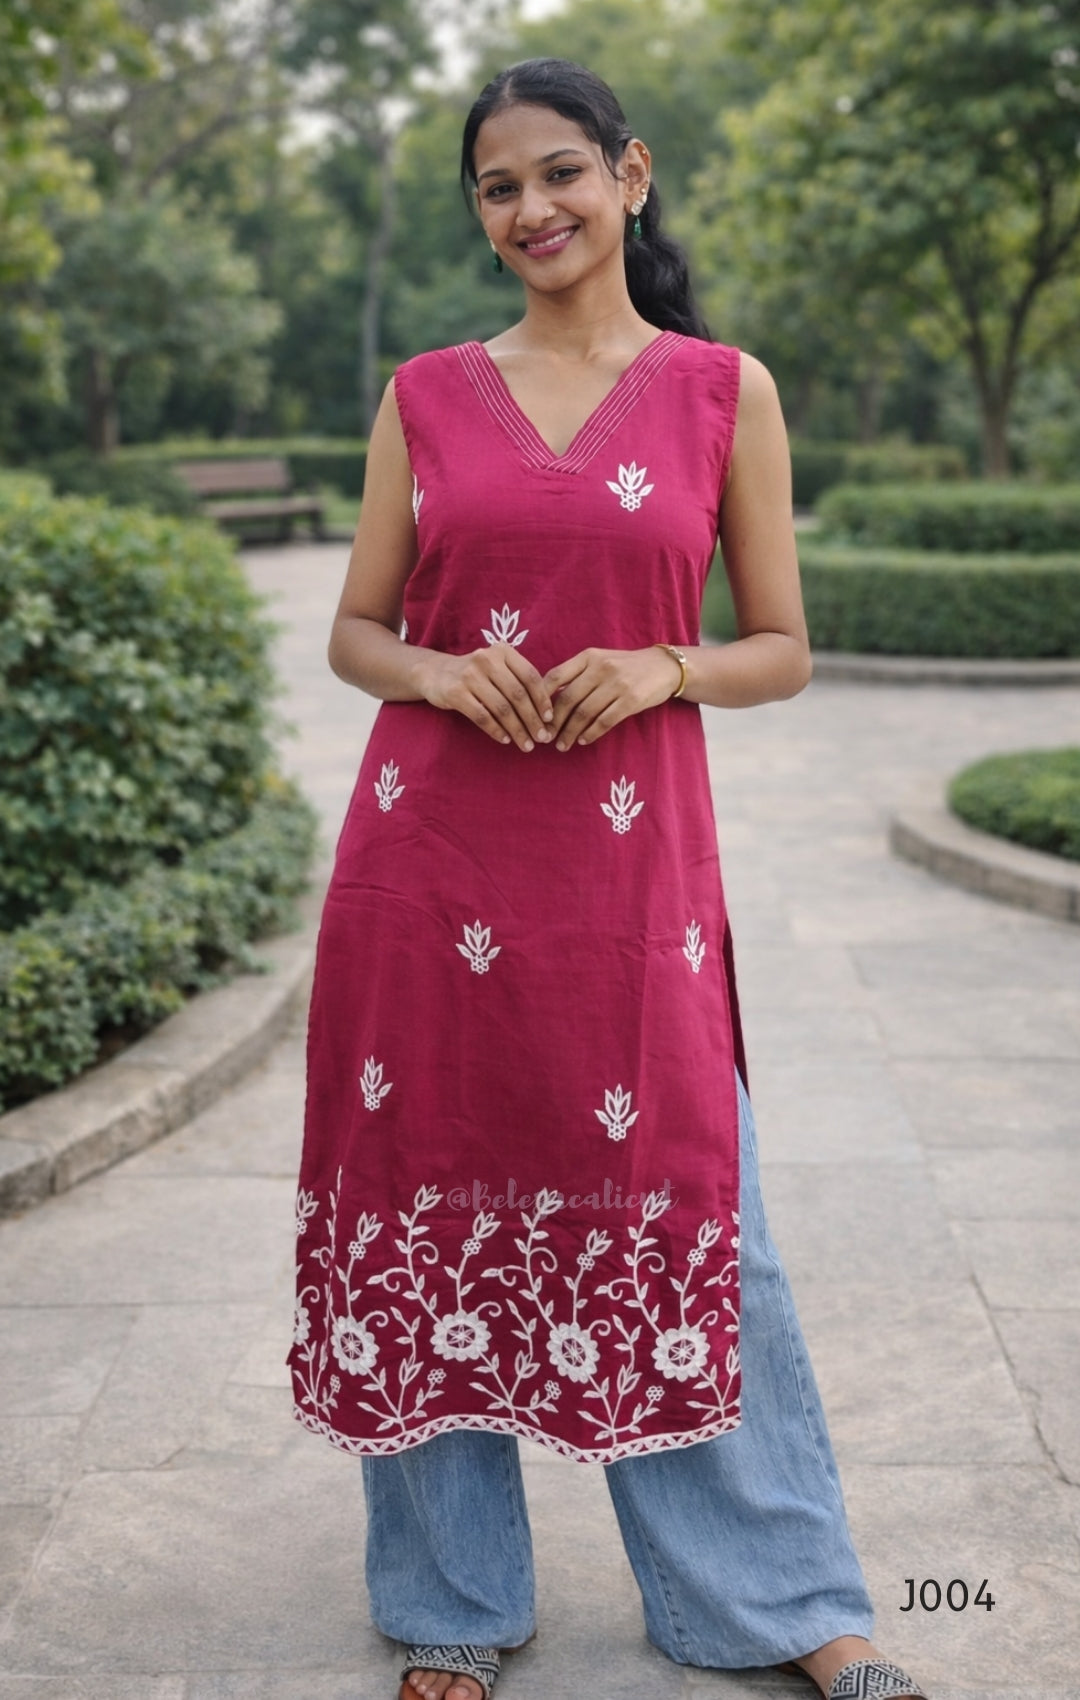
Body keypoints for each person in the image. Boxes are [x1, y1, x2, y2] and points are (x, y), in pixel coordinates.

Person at [289, 55, 929, 1700]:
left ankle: (782, 1602)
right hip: (430, 867)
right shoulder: (427, 393)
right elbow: (356, 629)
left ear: (631, 175)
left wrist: (666, 666)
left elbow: (783, 646)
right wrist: (439, 673)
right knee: (426, 1190)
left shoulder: (724, 391)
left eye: (560, 173)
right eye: (498, 188)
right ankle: (449, 1600)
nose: (532, 211)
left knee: (701, 1214)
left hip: (631, 882)